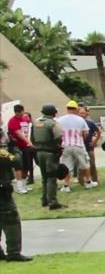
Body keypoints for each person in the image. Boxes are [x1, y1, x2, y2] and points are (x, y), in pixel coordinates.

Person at [0, 129, 31, 261]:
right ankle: (13, 252)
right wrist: (15, 148)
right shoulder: (2, 153)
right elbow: (16, 162)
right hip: (2, 191)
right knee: (11, 220)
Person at [57, 100, 97, 192]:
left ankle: (66, 185)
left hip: (65, 145)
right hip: (78, 145)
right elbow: (85, 133)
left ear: (67, 109)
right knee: (85, 163)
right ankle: (88, 182)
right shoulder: (80, 119)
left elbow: (57, 133)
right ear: (76, 109)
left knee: (67, 166)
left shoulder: (60, 119)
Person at [31, 105, 65, 210]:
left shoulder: (36, 123)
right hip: (50, 152)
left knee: (44, 177)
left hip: (39, 152)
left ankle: (44, 200)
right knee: (51, 177)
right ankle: (53, 202)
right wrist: (59, 149)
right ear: (53, 112)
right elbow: (58, 138)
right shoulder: (53, 123)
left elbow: (32, 138)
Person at [7, 104, 34, 194]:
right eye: (22, 112)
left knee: (26, 166)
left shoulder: (24, 119)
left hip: (25, 146)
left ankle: (24, 184)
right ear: (19, 111)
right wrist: (28, 141)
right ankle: (19, 186)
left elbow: (29, 127)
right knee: (19, 165)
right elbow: (19, 133)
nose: (23, 113)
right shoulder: (13, 121)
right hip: (16, 146)